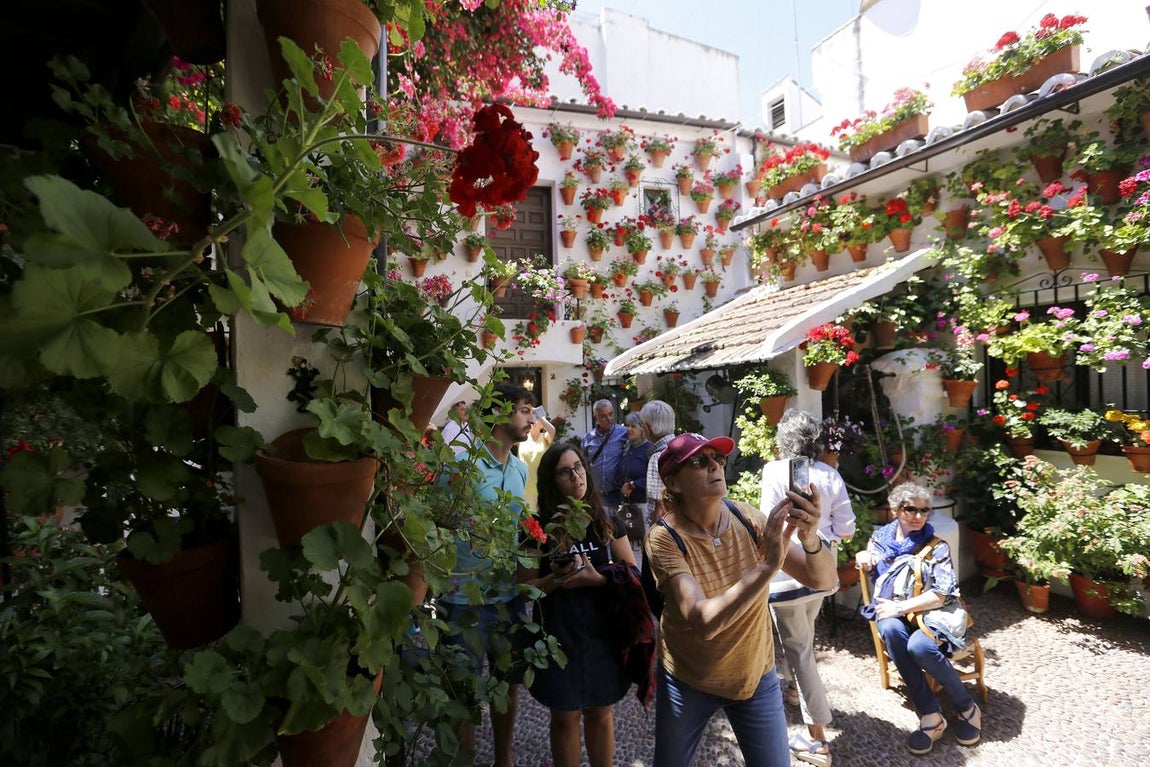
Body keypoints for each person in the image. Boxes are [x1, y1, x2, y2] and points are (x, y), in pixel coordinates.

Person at [645, 433, 836, 767]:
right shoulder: (664, 538)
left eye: (718, 458)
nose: (714, 465)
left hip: (754, 678)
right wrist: (767, 567)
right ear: (673, 482)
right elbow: (702, 620)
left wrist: (809, 537)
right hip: (687, 681)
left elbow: (824, 579)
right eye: (699, 461)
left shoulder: (748, 519)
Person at [519, 443, 637, 767]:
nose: (576, 476)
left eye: (579, 467)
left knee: (601, 712)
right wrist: (555, 580)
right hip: (558, 633)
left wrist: (597, 578)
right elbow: (526, 588)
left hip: (603, 632)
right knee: (565, 716)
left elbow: (632, 573)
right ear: (551, 481)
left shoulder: (606, 519)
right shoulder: (537, 528)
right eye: (565, 472)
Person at [439, 383, 536, 767]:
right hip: (461, 600)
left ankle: (504, 759)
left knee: (507, 685)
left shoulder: (520, 469)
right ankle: (464, 759)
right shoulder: (461, 467)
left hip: (506, 598)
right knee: (461, 691)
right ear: (499, 414)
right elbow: (439, 526)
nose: (532, 418)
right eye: (525, 410)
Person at [856, 482, 982, 756]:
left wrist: (901, 609)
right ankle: (931, 716)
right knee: (890, 629)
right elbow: (870, 562)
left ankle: (966, 706)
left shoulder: (936, 547)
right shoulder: (880, 540)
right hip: (893, 612)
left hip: (931, 613)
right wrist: (864, 558)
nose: (918, 515)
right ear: (894, 510)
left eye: (924, 510)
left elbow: (940, 595)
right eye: (910, 509)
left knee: (919, 647)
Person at [760, 410, 856, 767]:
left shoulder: (773, 471)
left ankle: (817, 739)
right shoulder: (829, 474)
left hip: (787, 570)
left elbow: (768, 520)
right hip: (822, 567)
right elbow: (846, 528)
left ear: (783, 438)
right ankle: (792, 689)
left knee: (799, 650)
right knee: (803, 638)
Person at [581, 400, 629, 509]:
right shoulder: (587, 438)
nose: (609, 419)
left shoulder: (624, 433)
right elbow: (584, 465)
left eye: (611, 414)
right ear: (595, 417)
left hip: (617, 496)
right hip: (595, 496)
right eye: (603, 416)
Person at [639, 399, 675, 523]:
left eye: (642, 424)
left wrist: (654, 535)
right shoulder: (680, 448)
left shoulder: (658, 457)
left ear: (649, 428)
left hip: (668, 528)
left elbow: (659, 506)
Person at [519, 409, 556, 510]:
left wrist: (540, 415)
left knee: (543, 518)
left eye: (536, 419)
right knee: (527, 519)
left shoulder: (545, 438)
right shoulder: (523, 438)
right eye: (532, 419)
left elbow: (552, 430)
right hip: (525, 488)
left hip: (542, 486)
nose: (534, 421)